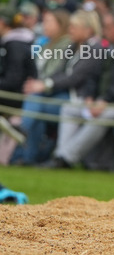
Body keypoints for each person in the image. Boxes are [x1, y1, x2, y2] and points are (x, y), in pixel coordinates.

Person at [44, 7, 114, 168]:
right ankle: (61, 155)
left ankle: (65, 158)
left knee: (105, 114)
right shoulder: (111, 46)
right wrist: (90, 96)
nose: (103, 31)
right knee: (69, 108)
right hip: (106, 100)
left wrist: (104, 99)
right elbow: (95, 74)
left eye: (107, 27)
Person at [12, 10, 103, 165]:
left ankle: (22, 134)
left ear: (88, 29)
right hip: (63, 95)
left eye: (74, 27)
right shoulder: (74, 46)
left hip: (78, 99)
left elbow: (75, 77)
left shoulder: (95, 49)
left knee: (36, 104)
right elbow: (59, 72)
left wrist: (45, 85)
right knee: (36, 106)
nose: (70, 30)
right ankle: (28, 156)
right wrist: (42, 84)